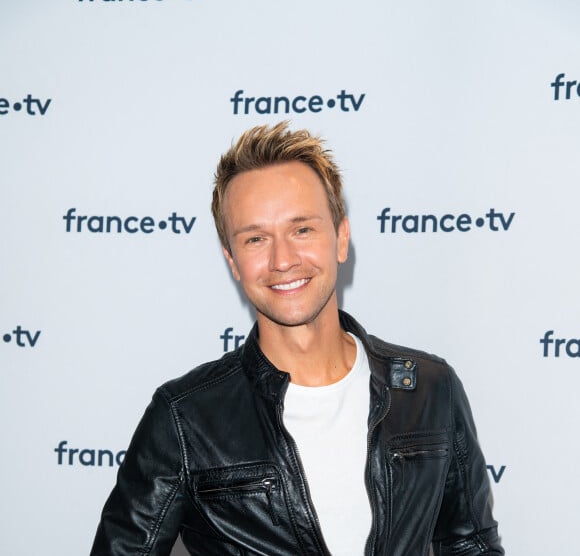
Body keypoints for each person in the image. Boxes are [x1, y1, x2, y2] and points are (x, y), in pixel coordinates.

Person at [91, 122, 503, 555]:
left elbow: (471, 544)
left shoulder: (428, 388)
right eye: (255, 239)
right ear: (232, 260)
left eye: (302, 229)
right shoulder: (185, 418)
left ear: (341, 238)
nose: (282, 259)